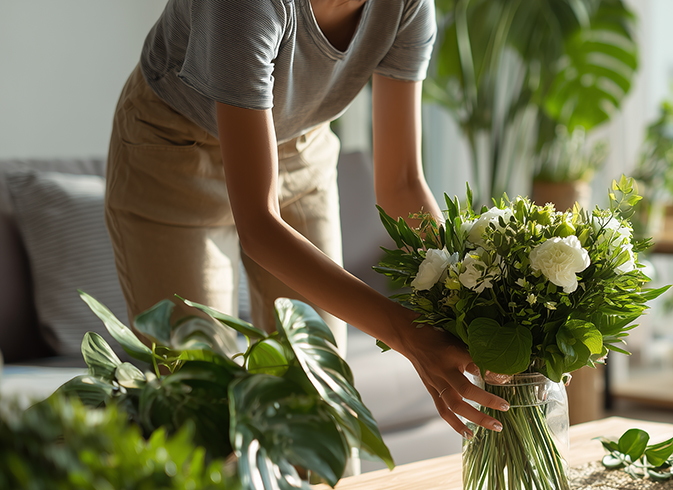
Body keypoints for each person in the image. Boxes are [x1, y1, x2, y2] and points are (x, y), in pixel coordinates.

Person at [104, 0, 507, 438]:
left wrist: (473, 301)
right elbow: (259, 226)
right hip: (174, 149)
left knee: (320, 400)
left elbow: (403, 183)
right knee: (201, 403)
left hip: (298, 143)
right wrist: (407, 336)